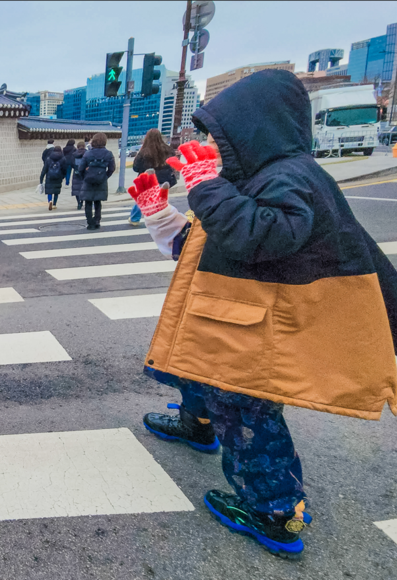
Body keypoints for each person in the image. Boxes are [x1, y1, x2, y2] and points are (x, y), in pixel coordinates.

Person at [127, 69, 397, 558]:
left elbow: (261, 235)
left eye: (220, 135)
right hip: (225, 317)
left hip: (254, 333)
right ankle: (197, 424)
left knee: (248, 415)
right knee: (197, 370)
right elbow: (207, 244)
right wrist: (161, 215)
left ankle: (275, 512)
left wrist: (206, 188)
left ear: (255, 129)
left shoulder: (290, 176)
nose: (212, 146)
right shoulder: (253, 176)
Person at [129, 129, 178, 226]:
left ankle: (135, 219)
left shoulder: (144, 152)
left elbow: (136, 167)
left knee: (142, 199)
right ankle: (161, 218)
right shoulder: (168, 150)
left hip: (148, 180)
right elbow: (173, 163)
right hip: (165, 179)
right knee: (162, 199)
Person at [78, 133, 115, 230]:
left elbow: (80, 168)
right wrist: (105, 176)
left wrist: (84, 177)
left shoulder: (88, 153)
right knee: (98, 202)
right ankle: (97, 221)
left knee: (88, 202)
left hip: (88, 180)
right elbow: (112, 168)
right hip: (101, 180)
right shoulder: (108, 154)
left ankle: (90, 223)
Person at [39, 141, 68, 211]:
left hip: (49, 176)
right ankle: (54, 204)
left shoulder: (49, 158)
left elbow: (44, 169)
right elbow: (65, 169)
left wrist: (41, 178)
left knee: (49, 190)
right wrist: (64, 176)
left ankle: (50, 201)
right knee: (56, 191)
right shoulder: (63, 158)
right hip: (58, 176)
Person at [69, 140, 87, 210]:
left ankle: (78, 203)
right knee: (84, 188)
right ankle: (82, 201)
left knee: (76, 188)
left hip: (76, 172)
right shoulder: (87, 153)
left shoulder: (74, 154)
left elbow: (72, 164)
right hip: (85, 173)